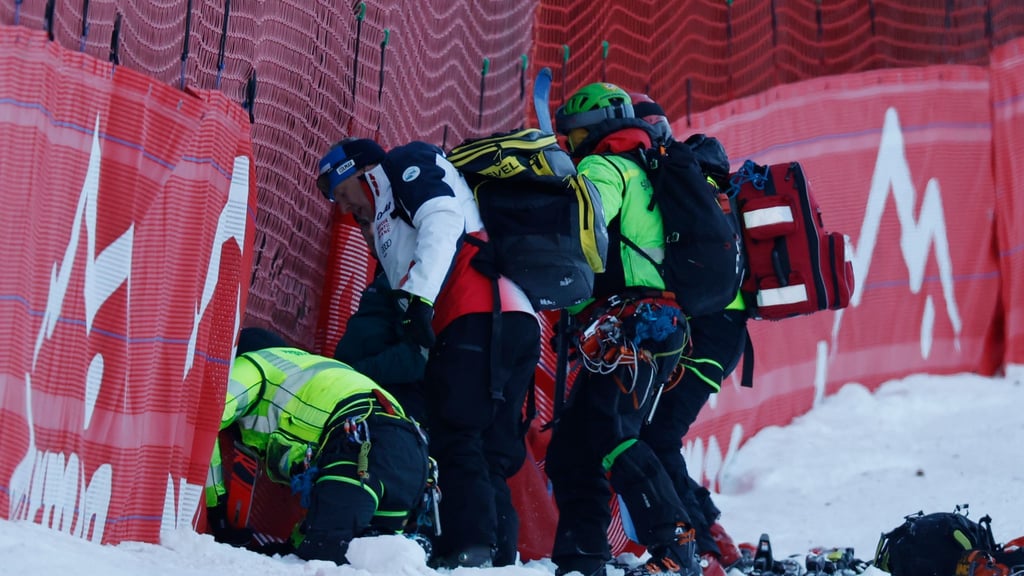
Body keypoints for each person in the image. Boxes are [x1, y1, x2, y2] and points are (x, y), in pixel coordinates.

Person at [316, 137, 541, 568]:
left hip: (475, 313)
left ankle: (469, 548)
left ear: (360, 173)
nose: (345, 210)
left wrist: (418, 299)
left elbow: (442, 218)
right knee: (490, 445)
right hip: (513, 318)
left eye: (343, 194)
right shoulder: (385, 221)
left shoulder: (404, 163)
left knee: (457, 433)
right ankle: (498, 553)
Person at [545, 82, 700, 576]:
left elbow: (586, 224)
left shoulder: (604, 166)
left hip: (634, 323)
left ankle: (676, 546)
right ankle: (581, 556)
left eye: (574, 132)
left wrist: (564, 276)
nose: (571, 143)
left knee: (614, 430)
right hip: (654, 321)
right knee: (574, 445)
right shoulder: (645, 163)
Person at [628, 92, 747, 575]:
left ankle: (696, 544)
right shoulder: (694, 174)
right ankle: (711, 535)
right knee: (657, 434)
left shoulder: (672, 176)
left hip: (711, 329)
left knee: (657, 435)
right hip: (719, 327)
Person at [205, 333, 431, 565]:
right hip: (412, 454)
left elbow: (207, 419)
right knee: (379, 558)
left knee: (326, 551)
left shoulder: (253, 364)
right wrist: (292, 547)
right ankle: (411, 549)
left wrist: (217, 509)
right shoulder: (311, 370)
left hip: (363, 446)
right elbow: (326, 494)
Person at [334, 216, 427, 423]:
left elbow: (417, 356)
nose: (367, 232)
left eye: (370, 221)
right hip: (358, 396)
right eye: (362, 223)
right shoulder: (388, 272)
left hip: (386, 408)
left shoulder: (417, 277)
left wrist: (352, 375)